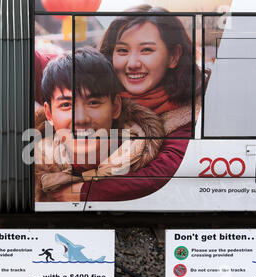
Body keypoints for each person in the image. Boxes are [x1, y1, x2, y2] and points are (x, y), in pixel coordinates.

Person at [0, 4, 201, 202]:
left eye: (147, 50)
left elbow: (163, 174)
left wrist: (84, 193)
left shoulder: (189, 113)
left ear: (174, 56)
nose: (133, 63)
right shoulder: (86, 77)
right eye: (122, 50)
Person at [34, 48, 166, 201]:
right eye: (66, 105)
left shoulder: (153, 164)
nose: (81, 119)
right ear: (49, 114)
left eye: (93, 103)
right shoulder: (32, 169)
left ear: (115, 107)